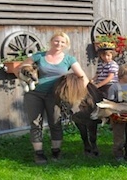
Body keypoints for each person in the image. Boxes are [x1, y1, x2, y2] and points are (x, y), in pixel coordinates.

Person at [17, 32, 89, 164]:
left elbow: (82, 77)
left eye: (62, 42)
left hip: (56, 96)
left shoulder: (69, 59)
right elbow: (21, 67)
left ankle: (56, 152)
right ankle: (38, 154)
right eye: (56, 41)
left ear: (66, 45)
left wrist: (82, 93)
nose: (59, 44)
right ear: (51, 41)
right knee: (35, 123)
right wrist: (26, 74)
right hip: (34, 94)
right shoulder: (39, 56)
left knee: (55, 123)